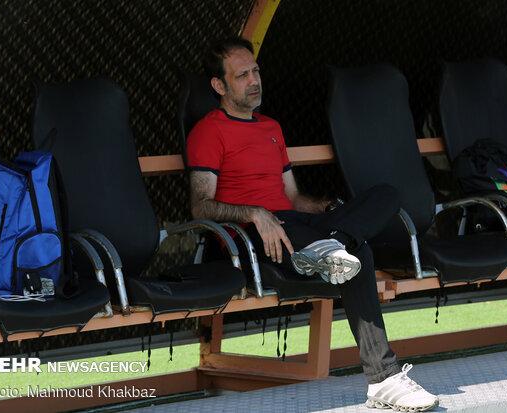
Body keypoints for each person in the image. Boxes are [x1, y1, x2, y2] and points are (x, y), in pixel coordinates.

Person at [186, 37, 439, 412]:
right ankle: (384, 379)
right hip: (256, 236)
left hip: (297, 224)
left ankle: (332, 243)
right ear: (219, 86)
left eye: (256, 71)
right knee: (360, 253)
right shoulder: (209, 131)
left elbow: (292, 197)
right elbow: (200, 206)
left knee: (387, 194)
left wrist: (327, 208)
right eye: (242, 75)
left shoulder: (271, 127)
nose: (254, 80)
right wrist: (255, 213)